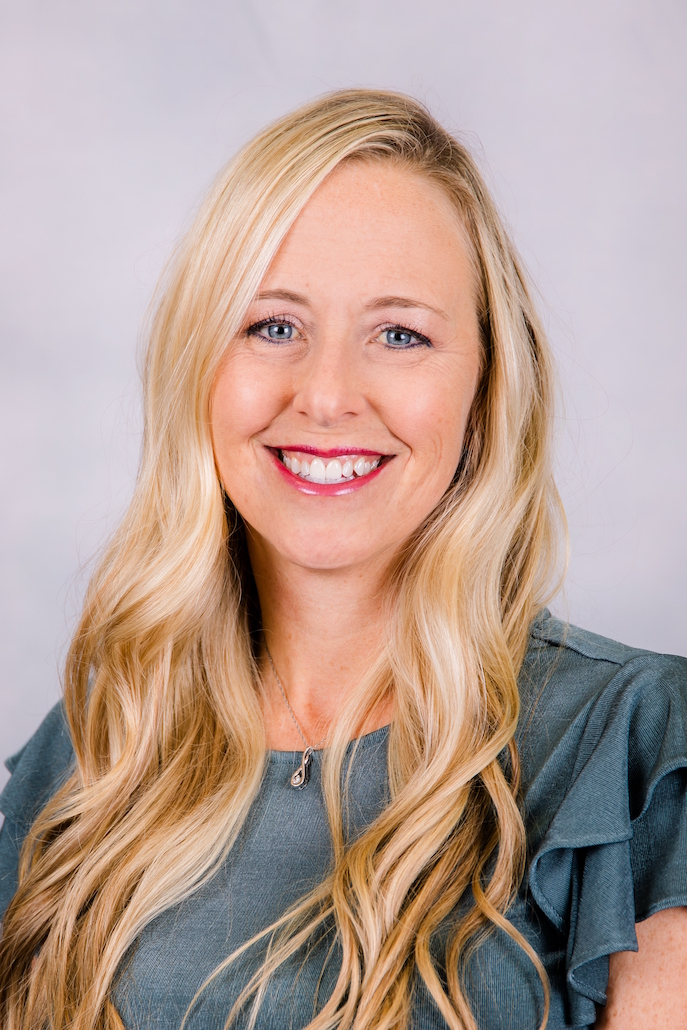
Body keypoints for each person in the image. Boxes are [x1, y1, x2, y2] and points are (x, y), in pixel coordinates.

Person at [0, 89, 685, 1030]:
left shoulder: (635, 747)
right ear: (198, 366)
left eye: (400, 334)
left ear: (487, 384)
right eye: (271, 326)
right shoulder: (94, 748)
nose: (325, 395)